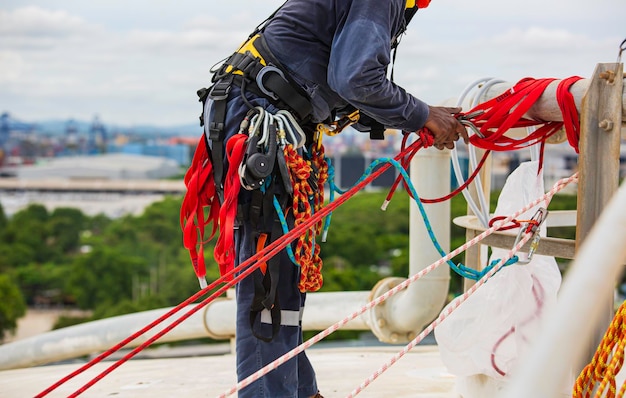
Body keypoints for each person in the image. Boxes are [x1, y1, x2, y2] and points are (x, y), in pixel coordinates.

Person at [192, 0, 469, 397]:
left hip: (270, 116)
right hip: (263, 122)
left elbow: (344, 79)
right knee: (269, 279)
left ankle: (301, 391)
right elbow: (357, 79)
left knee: (283, 274)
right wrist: (421, 114)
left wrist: (421, 113)